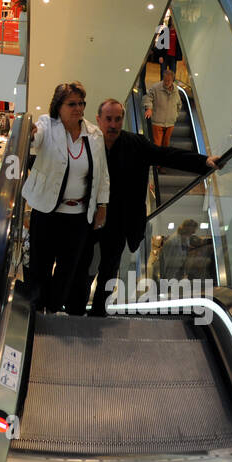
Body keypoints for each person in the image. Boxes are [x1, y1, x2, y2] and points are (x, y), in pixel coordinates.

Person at [79, 99, 219, 315]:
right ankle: (75, 309)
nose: (113, 124)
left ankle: (97, 313)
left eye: (118, 119)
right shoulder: (87, 143)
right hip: (89, 220)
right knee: (83, 268)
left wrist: (203, 162)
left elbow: (168, 155)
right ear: (98, 120)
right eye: (108, 119)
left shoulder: (135, 144)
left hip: (120, 223)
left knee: (108, 271)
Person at [22, 82, 110, 314]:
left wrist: (102, 204)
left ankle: (51, 309)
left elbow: (102, 173)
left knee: (67, 269)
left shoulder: (94, 134)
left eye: (81, 103)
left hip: (79, 216)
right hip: (46, 211)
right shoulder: (47, 126)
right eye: (72, 104)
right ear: (58, 106)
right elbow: (36, 139)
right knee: (40, 265)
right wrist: (30, 134)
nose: (78, 108)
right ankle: (35, 308)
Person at [143, 67, 182, 150]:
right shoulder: (155, 88)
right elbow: (147, 98)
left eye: (169, 81)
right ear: (163, 78)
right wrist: (149, 108)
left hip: (170, 123)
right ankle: (157, 162)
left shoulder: (176, 90)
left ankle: (163, 162)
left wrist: (175, 115)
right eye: (165, 80)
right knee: (157, 145)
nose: (166, 82)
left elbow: (179, 104)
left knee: (166, 145)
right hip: (157, 122)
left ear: (172, 80)